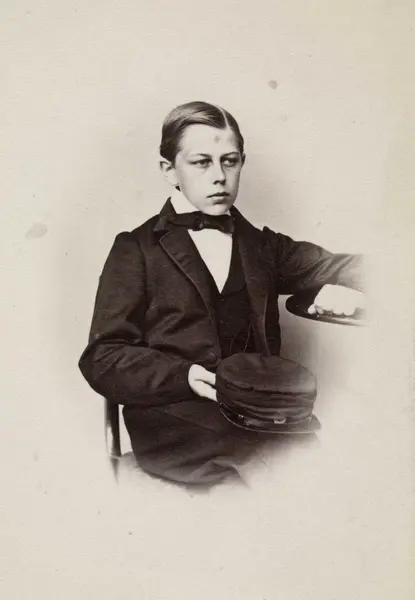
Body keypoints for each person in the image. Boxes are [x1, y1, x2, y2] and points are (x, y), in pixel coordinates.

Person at [78, 101, 365, 487]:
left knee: (315, 467)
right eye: (201, 162)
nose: (219, 177)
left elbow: (350, 268)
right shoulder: (136, 249)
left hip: (263, 415)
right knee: (275, 478)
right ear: (169, 170)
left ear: (242, 163)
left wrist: (356, 292)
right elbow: (103, 355)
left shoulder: (263, 246)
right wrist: (184, 376)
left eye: (229, 161)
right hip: (176, 421)